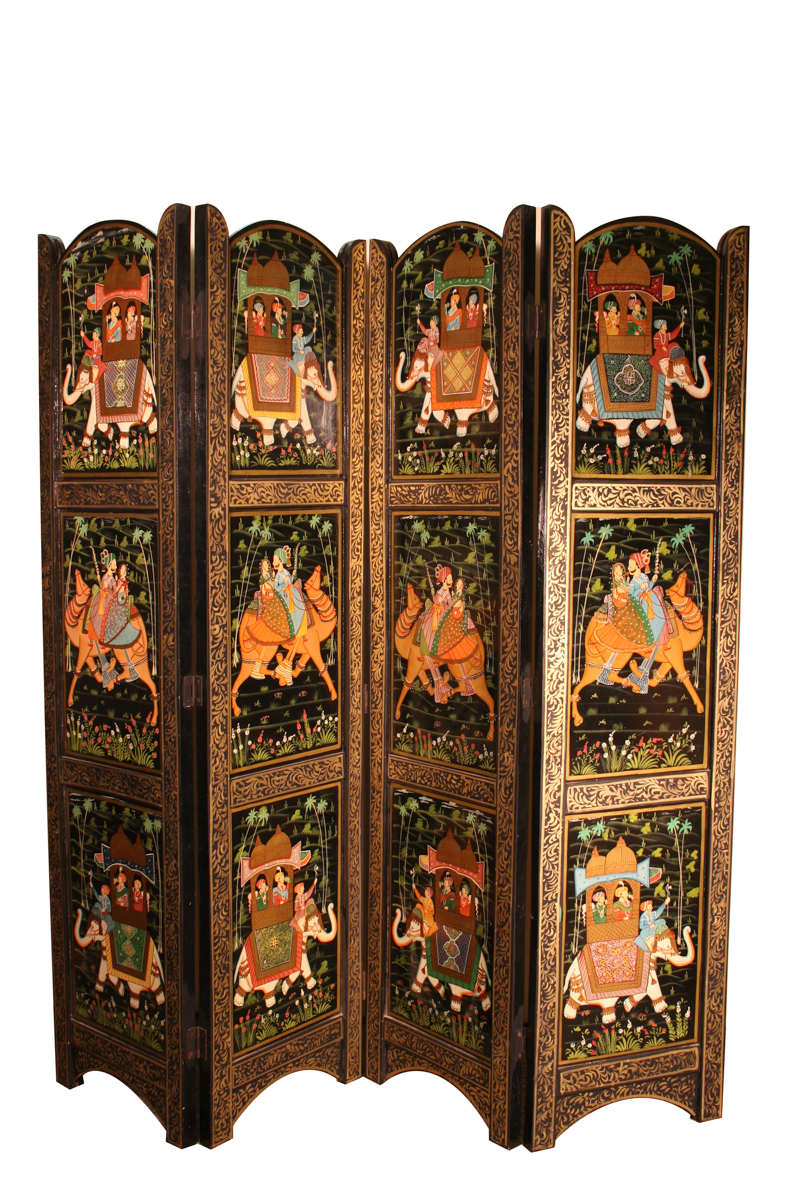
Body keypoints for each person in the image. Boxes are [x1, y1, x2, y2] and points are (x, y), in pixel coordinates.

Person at [420, 565, 454, 655]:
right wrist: (433, 594)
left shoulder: (447, 593)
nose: (451, 581)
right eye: (450, 579)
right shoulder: (440, 590)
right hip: (435, 611)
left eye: (451, 579)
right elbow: (435, 600)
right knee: (425, 625)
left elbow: (450, 606)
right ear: (444, 580)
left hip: (442, 613)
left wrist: (442, 602)